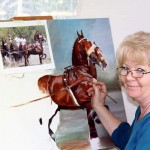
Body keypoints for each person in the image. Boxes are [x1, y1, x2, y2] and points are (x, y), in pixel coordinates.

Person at [87, 31, 150, 150]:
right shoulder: (142, 110)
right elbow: (128, 140)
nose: (129, 77)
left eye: (140, 70)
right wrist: (98, 106)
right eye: (126, 68)